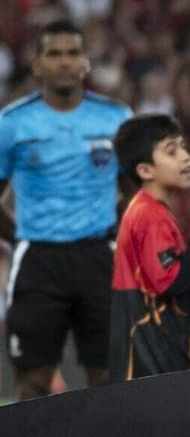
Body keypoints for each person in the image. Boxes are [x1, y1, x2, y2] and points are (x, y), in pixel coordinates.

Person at [0, 20, 131, 396]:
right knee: (33, 382)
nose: (63, 62)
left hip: (98, 257)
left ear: (85, 62)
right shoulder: (12, 124)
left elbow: (136, 189)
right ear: (37, 64)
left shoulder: (115, 117)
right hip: (38, 261)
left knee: (109, 378)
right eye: (53, 54)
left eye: (72, 53)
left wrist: (112, 227)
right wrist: (21, 237)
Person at [108, 114, 190, 379]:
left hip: (161, 353)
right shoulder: (148, 216)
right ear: (145, 170)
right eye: (171, 151)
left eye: (184, 147)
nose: (185, 157)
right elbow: (170, 281)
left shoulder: (154, 212)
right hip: (151, 362)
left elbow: (184, 289)